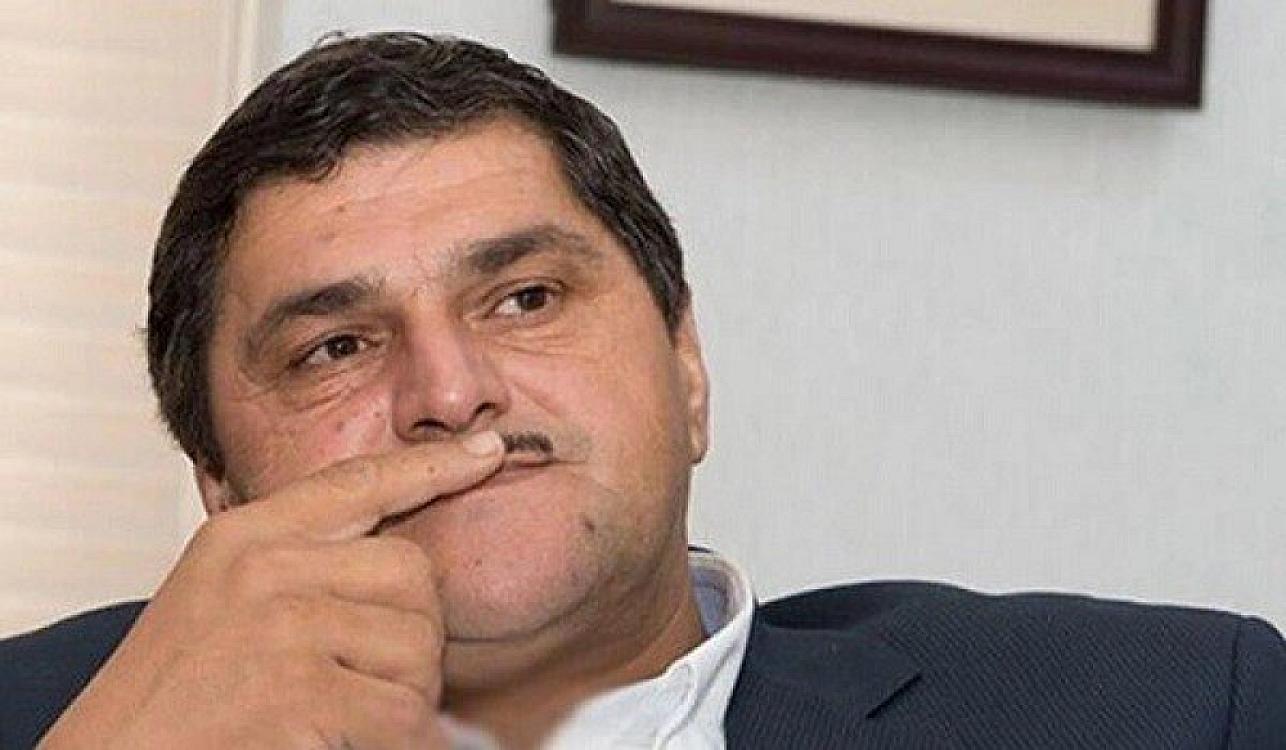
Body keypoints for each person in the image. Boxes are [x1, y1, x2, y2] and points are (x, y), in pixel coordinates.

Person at [0, 31, 1282, 750]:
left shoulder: (1168, 710)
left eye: (524, 298)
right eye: (336, 348)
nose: (450, 392)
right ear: (221, 487)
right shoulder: (54, 721)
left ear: (686, 367)